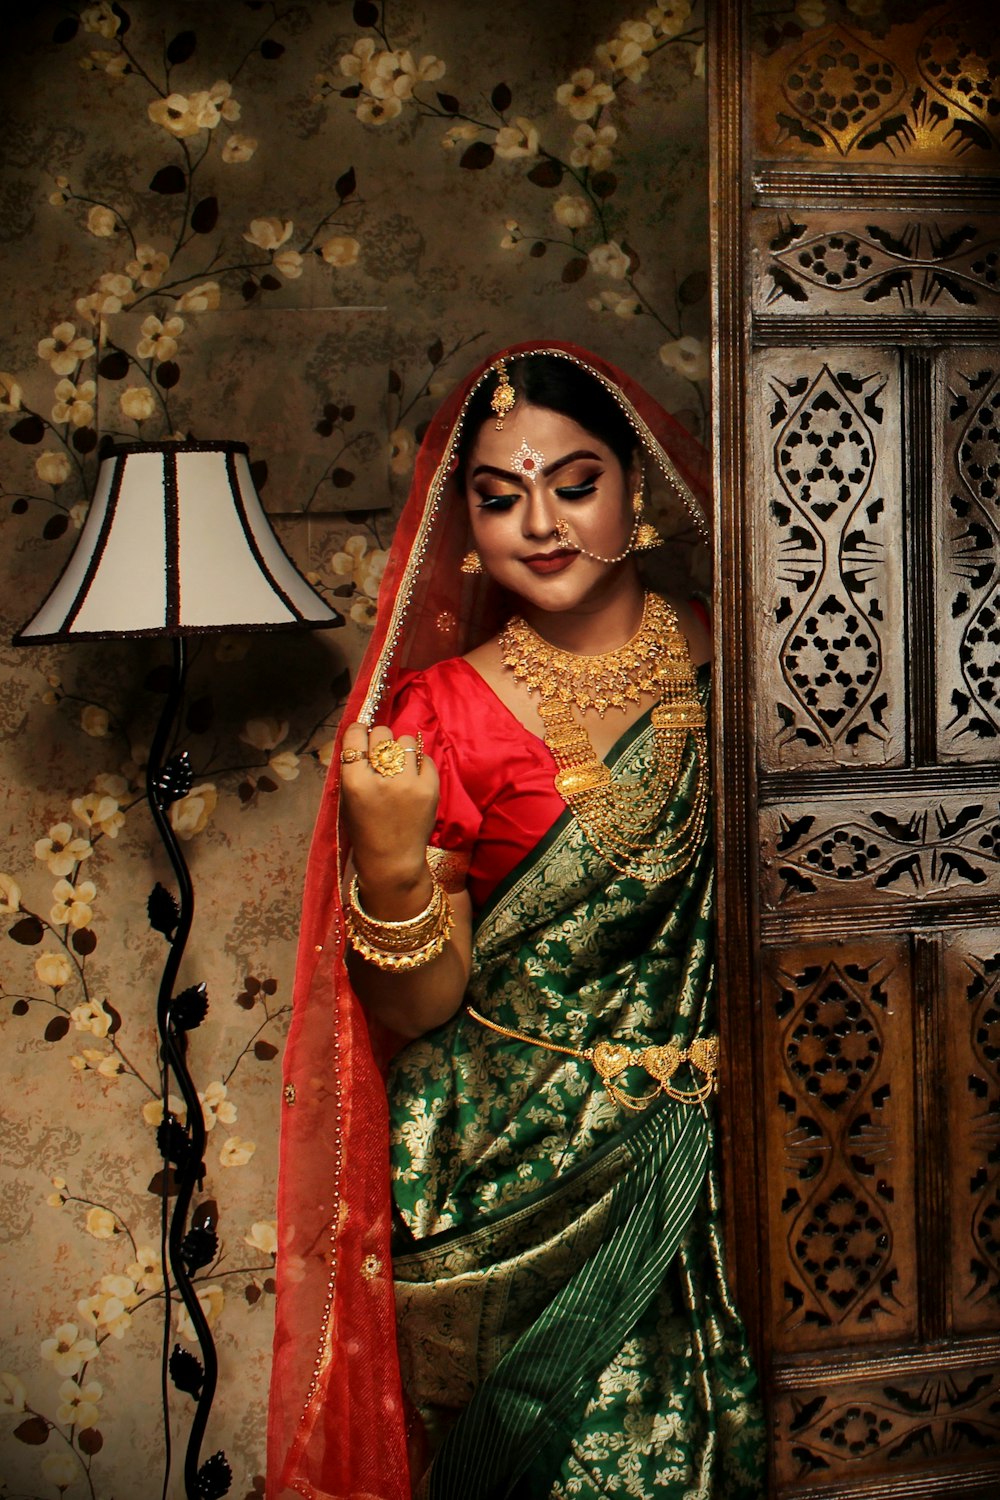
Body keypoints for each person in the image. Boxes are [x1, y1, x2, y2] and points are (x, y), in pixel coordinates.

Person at [268, 343, 764, 1500]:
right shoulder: (442, 711)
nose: (539, 523)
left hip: (752, 1147)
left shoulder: (753, 653)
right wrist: (389, 857)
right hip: (523, 1174)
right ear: (468, 522)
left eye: (573, 483)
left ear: (636, 489)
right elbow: (420, 1002)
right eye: (499, 497)